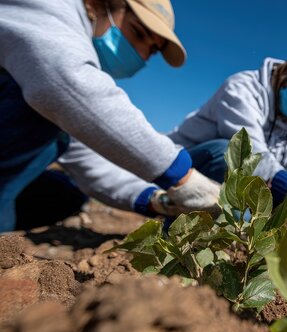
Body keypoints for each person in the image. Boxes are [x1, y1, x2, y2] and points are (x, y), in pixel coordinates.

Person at [52, 51, 287, 240]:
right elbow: (249, 151)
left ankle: (232, 236)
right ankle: (177, 234)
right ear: (286, 74)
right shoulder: (244, 88)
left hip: (230, 187)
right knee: (226, 152)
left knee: (283, 193)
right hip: (185, 168)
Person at [0, 0, 220, 232]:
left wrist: (156, 200)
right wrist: (182, 177)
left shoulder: (63, 79)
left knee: (64, 195)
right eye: (138, 32)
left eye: (152, 51)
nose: (143, 54)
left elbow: (85, 158)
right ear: (98, 4)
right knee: (40, 116)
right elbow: (62, 83)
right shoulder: (50, 8)